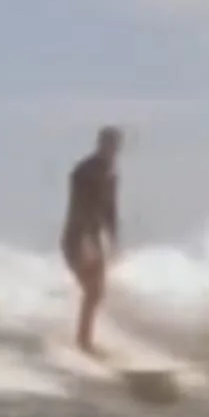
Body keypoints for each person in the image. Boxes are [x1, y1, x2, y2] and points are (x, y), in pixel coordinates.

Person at [61, 127, 123, 355]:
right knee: (93, 289)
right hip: (76, 236)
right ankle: (83, 341)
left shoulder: (111, 175)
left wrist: (114, 239)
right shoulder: (85, 171)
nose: (112, 150)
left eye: (115, 146)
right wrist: (84, 239)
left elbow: (110, 211)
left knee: (96, 291)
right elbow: (79, 206)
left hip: (93, 237)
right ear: (100, 144)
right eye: (108, 145)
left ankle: (83, 339)